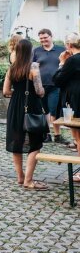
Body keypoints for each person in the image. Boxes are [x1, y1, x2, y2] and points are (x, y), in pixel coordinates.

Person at [4, 39, 47, 190]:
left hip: (15, 106)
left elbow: (6, 91)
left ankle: (20, 177)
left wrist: (18, 93)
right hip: (31, 106)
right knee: (34, 143)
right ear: (30, 52)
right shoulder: (33, 68)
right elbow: (40, 91)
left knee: (16, 142)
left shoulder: (11, 69)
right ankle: (29, 181)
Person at [33, 28, 65, 143]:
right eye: (41, 38)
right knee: (44, 111)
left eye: (45, 37)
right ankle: (47, 135)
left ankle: (57, 135)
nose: (43, 40)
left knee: (54, 111)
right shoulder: (36, 51)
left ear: (51, 36)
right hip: (40, 86)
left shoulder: (61, 50)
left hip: (56, 85)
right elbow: (32, 67)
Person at [54, 33, 80, 168]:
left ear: (69, 45)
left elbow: (57, 80)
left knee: (78, 137)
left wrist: (62, 63)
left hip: (75, 100)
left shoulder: (73, 60)